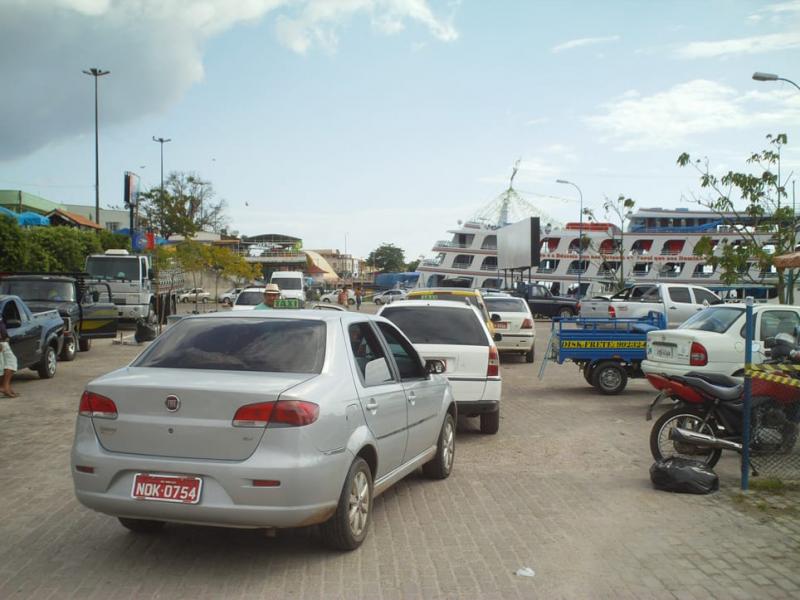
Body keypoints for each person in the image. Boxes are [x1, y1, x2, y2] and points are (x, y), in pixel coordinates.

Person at [0, 321, 18, 398]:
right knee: (12, 363)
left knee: (4, 365)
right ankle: (5, 387)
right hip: (1, 342)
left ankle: (5, 387)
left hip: (3, 342)